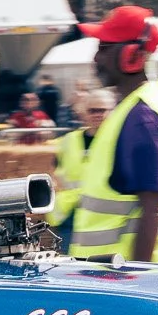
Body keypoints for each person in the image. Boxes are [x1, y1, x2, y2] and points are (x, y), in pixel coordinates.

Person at [69, 4, 158, 264]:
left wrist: (138, 282)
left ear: (132, 55)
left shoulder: (142, 117)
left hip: (121, 277)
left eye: (104, 48)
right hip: (109, 272)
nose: (96, 58)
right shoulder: (132, 107)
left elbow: (151, 206)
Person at [48, 88, 112, 247]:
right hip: (71, 213)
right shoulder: (69, 140)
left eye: (102, 110)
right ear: (84, 113)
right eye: (92, 110)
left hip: (102, 212)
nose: (97, 114)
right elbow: (54, 169)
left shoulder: (117, 141)